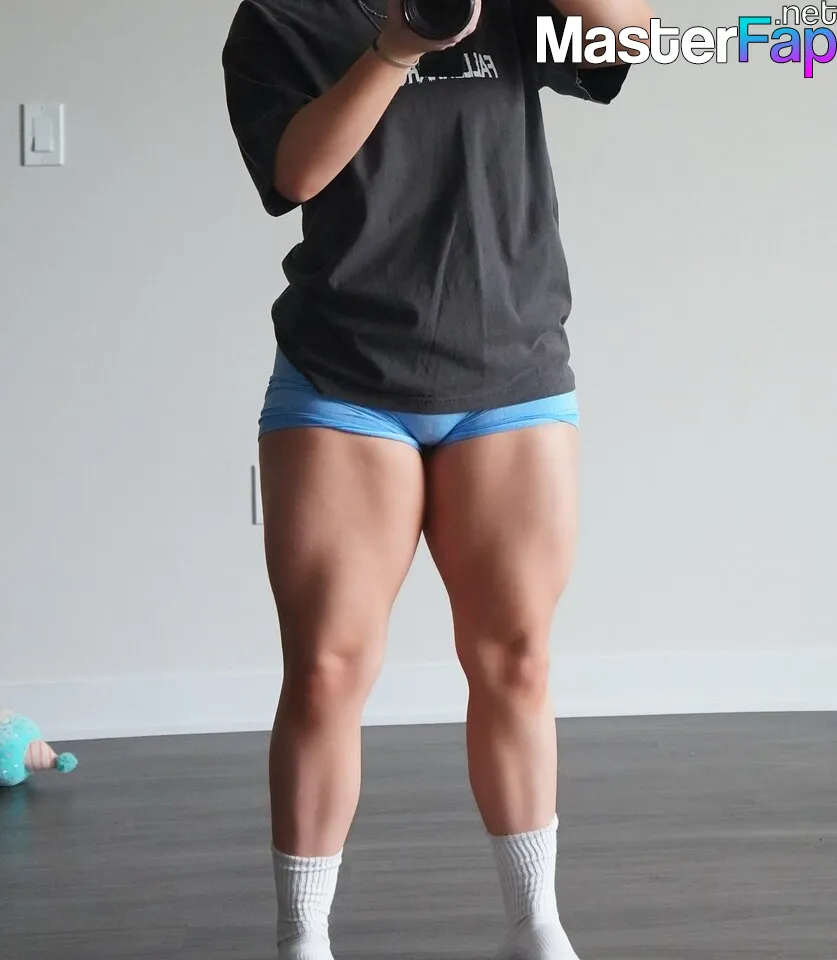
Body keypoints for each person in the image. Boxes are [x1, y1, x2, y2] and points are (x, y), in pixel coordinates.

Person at [222, 0, 653, 957]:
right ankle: (301, 938)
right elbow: (295, 174)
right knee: (327, 667)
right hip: (345, 376)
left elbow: (630, 36)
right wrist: (399, 46)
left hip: (510, 370)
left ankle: (533, 925)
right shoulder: (279, 16)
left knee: (516, 657)